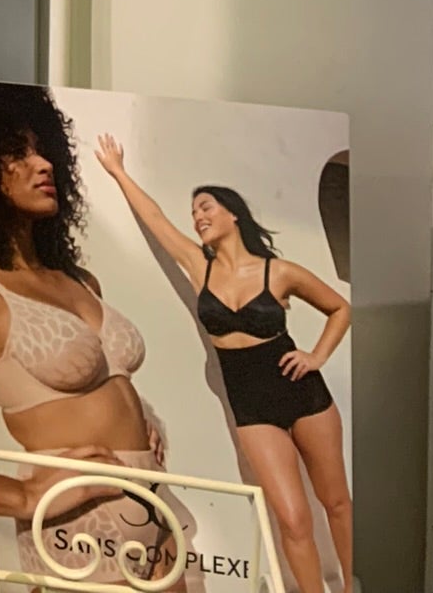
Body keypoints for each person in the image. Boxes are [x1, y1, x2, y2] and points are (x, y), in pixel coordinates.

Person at [97, 138, 352, 593]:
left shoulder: (279, 271)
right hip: (252, 407)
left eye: (206, 206)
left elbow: (340, 308)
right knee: (292, 520)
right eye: (194, 211)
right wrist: (118, 172)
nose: (197, 216)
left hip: (305, 394)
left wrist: (316, 356)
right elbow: (156, 219)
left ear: (233, 214)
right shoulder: (200, 266)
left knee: (336, 504)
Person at [0, 86, 203, 588]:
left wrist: (144, 416)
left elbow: (105, 379)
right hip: (80, 521)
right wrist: (23, 496)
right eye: (17, 152)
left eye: (44, 149)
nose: (43, 164)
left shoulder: (79, 281)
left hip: (158, 502)